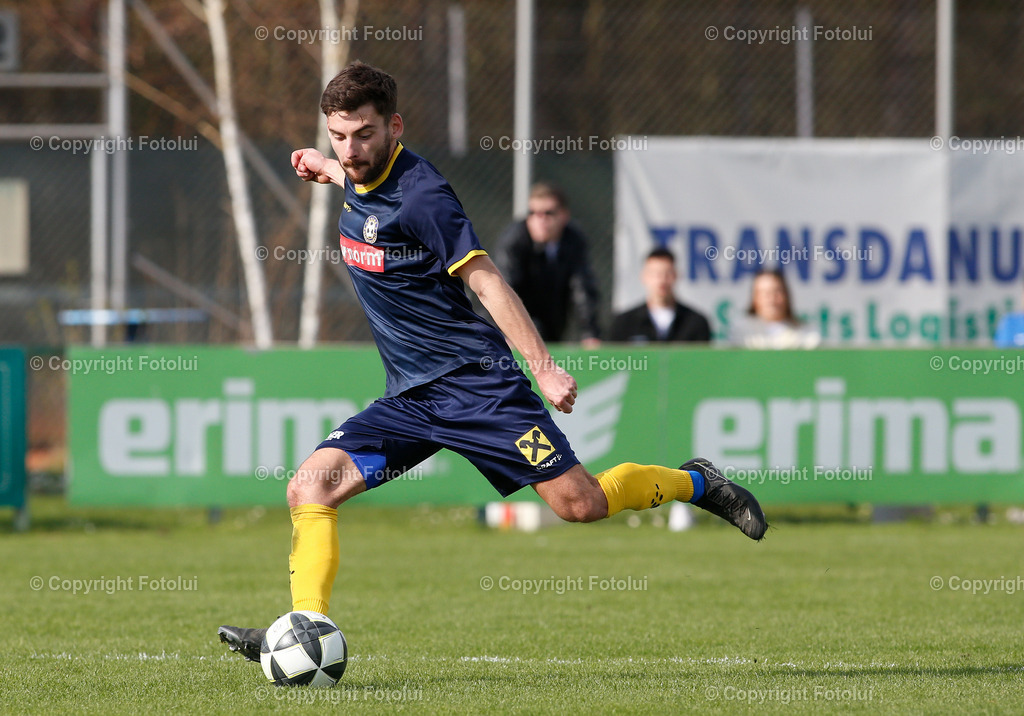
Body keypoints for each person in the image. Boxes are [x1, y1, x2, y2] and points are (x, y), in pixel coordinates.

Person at [218, 62, 766, 661]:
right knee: (309, 486)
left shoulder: (424, 196)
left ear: (394, 126)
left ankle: (695, 482)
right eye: (339, 136)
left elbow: (488, 284)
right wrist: (322, 166)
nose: (350, 149)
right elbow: (359, 188)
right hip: (410, 398)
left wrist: (544, 366)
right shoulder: (355, 170)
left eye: (365, 134)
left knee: (580, 504)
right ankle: (303, 628)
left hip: (479, 387)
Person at [495, 183, 602, 346]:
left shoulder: (574, 240)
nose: (540, 220)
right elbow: (505, 289)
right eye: (533, 213)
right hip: (514, 323)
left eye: (548, 213)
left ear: (564, 215)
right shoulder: (513, 241)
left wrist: (590, 333)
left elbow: (582, 288)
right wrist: (506, 332)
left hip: (554, 323)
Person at [609, 248, 711, 343]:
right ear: (644, 277)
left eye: (667, 274)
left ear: (676, 275)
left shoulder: (695, 322)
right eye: (655, 274)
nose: (661, 280)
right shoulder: (624, 323)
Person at [729, 268, 820, 349]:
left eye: (776, 292)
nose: (771, 299)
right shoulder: (741, 332)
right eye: (764, 293)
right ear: (754, 298)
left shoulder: (807, 334)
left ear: (786, 295)